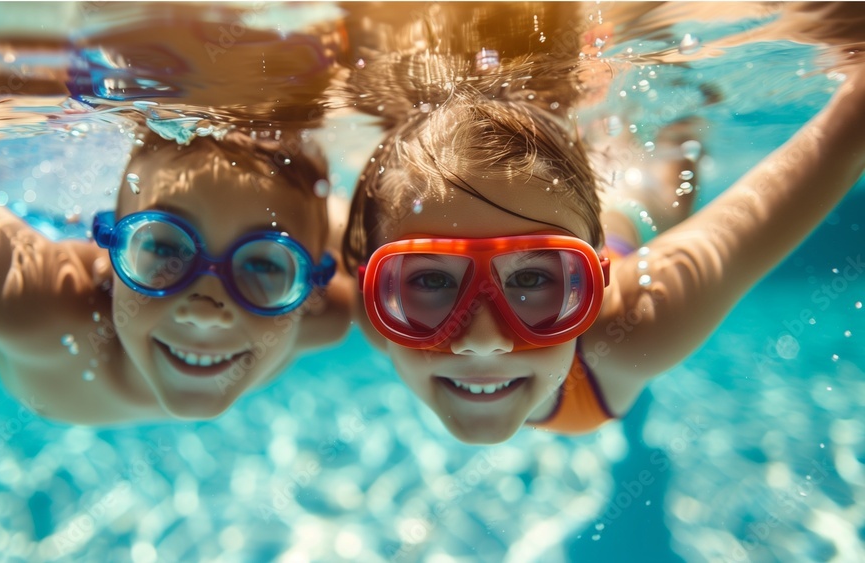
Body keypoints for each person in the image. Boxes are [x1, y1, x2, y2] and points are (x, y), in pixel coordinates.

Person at [341, 16, 865, 443]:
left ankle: (674, 145)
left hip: (622, 233)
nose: (482, 341)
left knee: (665, 195)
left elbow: (842, 140)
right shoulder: (373, 313)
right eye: (431, 281)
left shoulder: (641, 323)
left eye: (530, 280)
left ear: (599, 281)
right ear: (371, 292)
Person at [0, 128, 353, 425]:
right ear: (110, 237)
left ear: (313, 285)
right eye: (164, 247)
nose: (205, 310)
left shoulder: (327, 314)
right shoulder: (26, 300)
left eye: (265, 264)